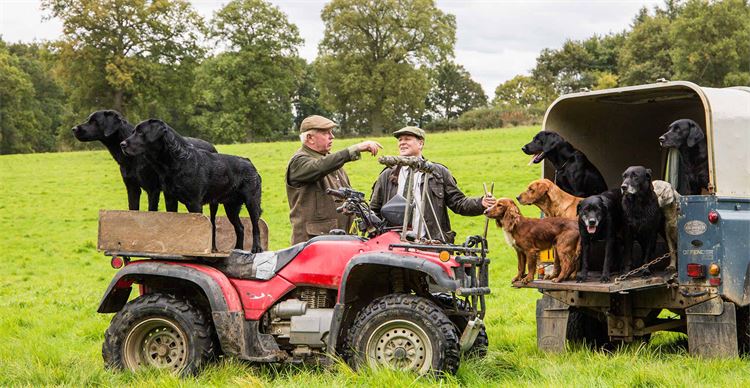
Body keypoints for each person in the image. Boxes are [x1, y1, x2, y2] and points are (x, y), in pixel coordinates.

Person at [370, 126, 495, 243]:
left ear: (421, 143)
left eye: (407, 139)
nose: (402, 143)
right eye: (400, 140)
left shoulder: (439, 172)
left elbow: (459, 203)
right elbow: (374, 210)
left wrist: (481, 203)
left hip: (431, 245)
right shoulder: (386, 175)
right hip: (394, 246)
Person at [286, 115, 382, 244]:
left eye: (331, 132)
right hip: (314, 243)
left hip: (340, 239)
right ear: (310, 138)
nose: (332, 136)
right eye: (326, 133)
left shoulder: (332, 162)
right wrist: (355, 149)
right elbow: (320, 167)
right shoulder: (299, 162)